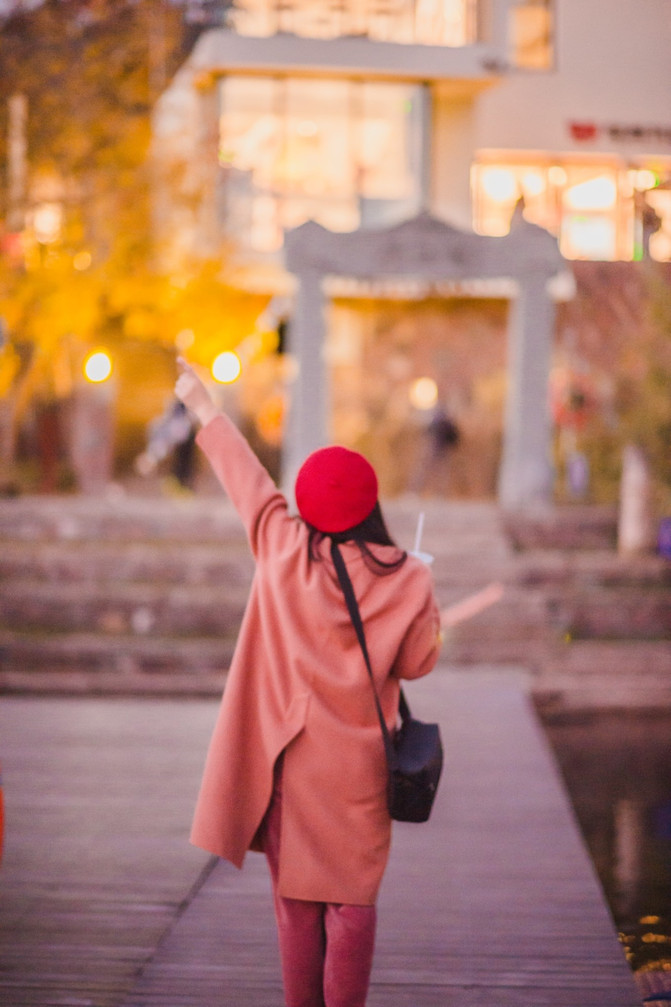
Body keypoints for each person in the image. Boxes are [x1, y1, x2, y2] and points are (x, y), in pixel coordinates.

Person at [174, 357, 442, 1007]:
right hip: (360, 771)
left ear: (307, 504)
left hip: (294, 765)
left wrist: (203, 406)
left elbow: (248, 481)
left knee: (296, 908)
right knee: (352, 906)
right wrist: (422, 601)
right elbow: (417, 663)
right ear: (370, 504)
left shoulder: (282, 549)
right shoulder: (407, 576)